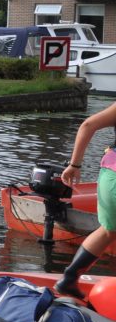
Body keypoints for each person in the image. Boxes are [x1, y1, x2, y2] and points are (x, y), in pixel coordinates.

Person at [55, 101, 116, 299]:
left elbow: (87, 125)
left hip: (109, 175)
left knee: (108, 231)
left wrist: (75, 165)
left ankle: (69, 279)